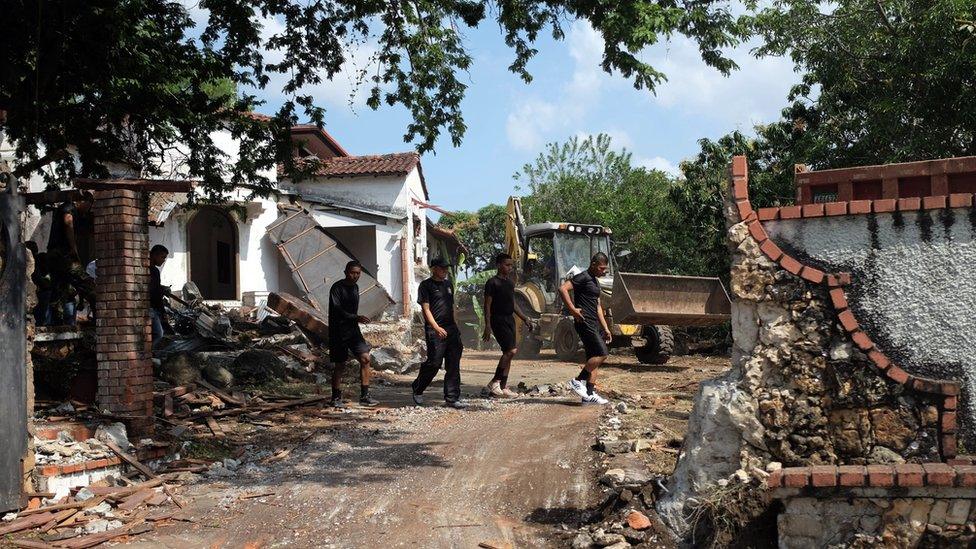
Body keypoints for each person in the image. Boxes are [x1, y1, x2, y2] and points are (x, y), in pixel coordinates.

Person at [411, 257, 466, 409]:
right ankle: (418, 387)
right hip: (435, 330)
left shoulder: (448, 285)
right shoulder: (425, 285)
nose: (445, 271)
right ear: (434, 268)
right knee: (434, 363)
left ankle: (452, 397)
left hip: (451, 329)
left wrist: (456, 326)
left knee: (453, 363)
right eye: (442, 268)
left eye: (446, 268)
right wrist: (436, 327)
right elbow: (426, 309)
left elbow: (452, 306)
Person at [560, 252, 612, 405]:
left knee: (593, 358)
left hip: (593, 322)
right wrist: (573, 309)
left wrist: (606, 328)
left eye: (605, 269)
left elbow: (598, 307)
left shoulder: (595, 281)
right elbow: (563, 289)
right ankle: (577, 381)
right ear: (594, 264)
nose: (604, 271)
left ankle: (589, 394)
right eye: (602, 268)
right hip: (584, 321)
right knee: (602, 354)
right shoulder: (582, 277)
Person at [327, 261, 378, 408]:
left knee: (365, 358)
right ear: (345, 272)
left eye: (358, 273)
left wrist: (356, 319)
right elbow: (337, 310)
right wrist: (356, 317)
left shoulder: (355, 288)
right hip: (338, 331)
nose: (355, 276)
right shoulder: (337, 288)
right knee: (340, 364)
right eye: (352, 272)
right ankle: (335, 397)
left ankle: (365, 395)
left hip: (353, 330)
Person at [482, 253, 532, 398]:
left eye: (511, 265)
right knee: (511, 351)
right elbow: (487, 305)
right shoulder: (492, 283)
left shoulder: (509, 283)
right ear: (499, 265)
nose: (510, 268)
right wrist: (487, 324)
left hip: (509, 319)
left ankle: (503, 387)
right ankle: (495, 382)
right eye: (507, 265)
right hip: (498, 320)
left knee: (508, 354)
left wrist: (524, 318)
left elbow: (513, 303)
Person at [46, 192, 94, 325]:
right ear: (82, 201)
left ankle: (55, 322)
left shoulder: (67, 209)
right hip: (63, 255)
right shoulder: (69, 208)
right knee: (88, 284)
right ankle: (100, 316)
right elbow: (68, 222)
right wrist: (74, 248)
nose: (88, 209)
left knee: (60, 289)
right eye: (89, 205)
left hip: (54, 256)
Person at [149, 244, 171, 343]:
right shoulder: (153, 271)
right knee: (159, 334)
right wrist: (163, 312)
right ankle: (151, 355)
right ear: (154, 255)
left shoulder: (149, 269)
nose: (163, 260)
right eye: (162, 257)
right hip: (151, 307)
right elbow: (155, 293)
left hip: (150, 307)